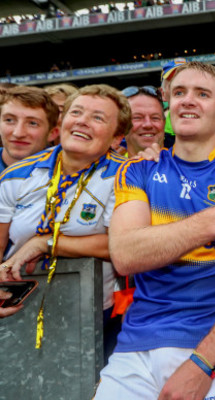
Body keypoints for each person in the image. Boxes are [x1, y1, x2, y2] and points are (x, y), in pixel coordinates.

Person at [94, 61, 215, 400]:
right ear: (169, 107)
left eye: (202, 94)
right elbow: (127, 256)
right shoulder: (139, 169)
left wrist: (204, 363)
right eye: (179, 93)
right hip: (137, 346)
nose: (187, 100)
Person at [0, 84, 128, 361]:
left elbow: (121, 245)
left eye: (98, 117)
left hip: (93, 313)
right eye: (76, 112)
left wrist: (45, 243)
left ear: (117, 138)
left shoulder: (123, 177)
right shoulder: (17, 175)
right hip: (17, 306)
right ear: (63, 122)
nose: (82, 120)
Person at [0, 86, 59, 173]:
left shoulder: (66, 173)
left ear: (52, 133)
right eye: (9, 120)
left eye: (33, 123)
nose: (18, 133)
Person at [122, 85, 165, 156]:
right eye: (137, 118)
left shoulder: (183, 164)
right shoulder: (112, 166)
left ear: (164, 123)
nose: (148, 124)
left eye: (155, 118)